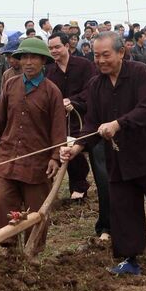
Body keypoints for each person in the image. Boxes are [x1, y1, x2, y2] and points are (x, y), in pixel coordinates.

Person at [61, 32, 146, 275]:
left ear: (121, 53)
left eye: (106, 55)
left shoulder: (140, 73)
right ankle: (130, 259)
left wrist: (117, 124)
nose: (101, 60)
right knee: (124, 210)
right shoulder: (95, 85)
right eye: (96, 56)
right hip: (119, 157)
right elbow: (92, 122)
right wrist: (76, 147)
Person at [0, 38, 66, 253]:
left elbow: (58, 128)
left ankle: (33, 250)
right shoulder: (11, 84)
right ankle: (9, 248)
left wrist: (55, 157)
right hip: (9, 156)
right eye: (24, 57)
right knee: (3, 202)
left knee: (35, 209)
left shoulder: (52, 91)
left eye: (33, 57)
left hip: (37, 161)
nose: (28, 62)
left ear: (43, 61)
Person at [46, 32, 96, 202]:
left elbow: (92, 89)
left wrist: (72, 101)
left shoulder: (84, 65)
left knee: (74, 145)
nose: (54, 51)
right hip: (58, 117)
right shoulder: (50, 70)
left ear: (67, 46)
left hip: (83, 115)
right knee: (57, 146)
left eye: (57, 47)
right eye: (51, 48)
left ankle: (79, 186)